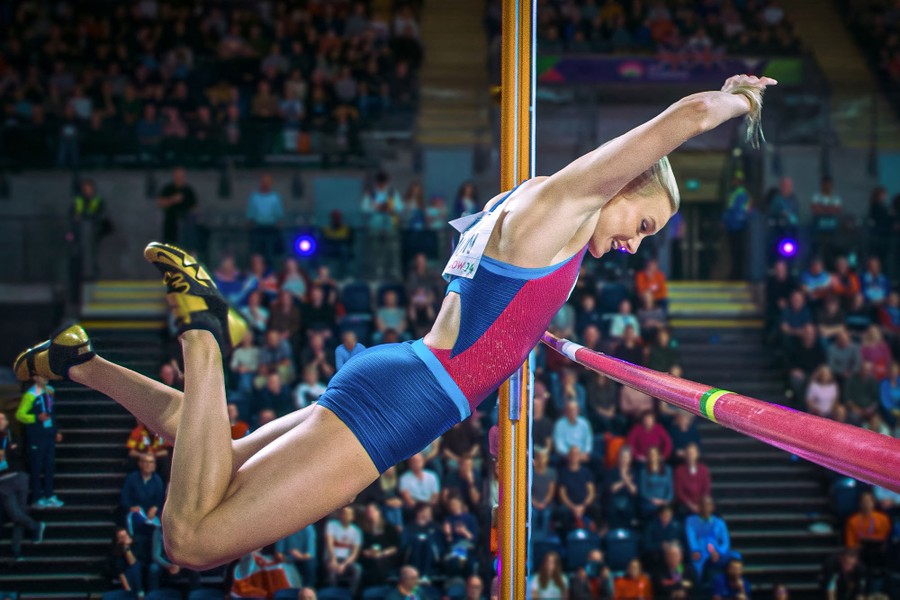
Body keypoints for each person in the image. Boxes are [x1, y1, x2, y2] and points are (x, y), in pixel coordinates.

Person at [13, 74, 774, 569]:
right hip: (407, 400)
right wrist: (741, 101)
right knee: (190, 540)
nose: (635, 244)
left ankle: (82, 364)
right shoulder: (565, 205)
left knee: (220, 448)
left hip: (402, 369)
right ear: (620, 183)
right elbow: (683, 116)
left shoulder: (529, 201)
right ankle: (206, 333)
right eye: (643, 221)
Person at [0, 412, 46, 558]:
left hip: (18, 476)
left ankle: (16, 549)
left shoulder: (13, 435)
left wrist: (6, 452)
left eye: (2, 418)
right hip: (3, 480)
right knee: (15, 513)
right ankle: (36, 526)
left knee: (21, 511)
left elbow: (19, 452)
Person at [15, 375, 63, 509]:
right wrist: (36, 417)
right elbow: (20, 415)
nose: (46, 378)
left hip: (48, 435)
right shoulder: (30, 395)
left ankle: (49, 495)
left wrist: (55, 430)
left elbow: (51, 412)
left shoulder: (49, 391)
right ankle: (37, 497)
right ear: (36, 378)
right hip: (36, 436)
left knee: (49, 467)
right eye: (42, 376)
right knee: (36, 467)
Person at [685, 496, 740, 578]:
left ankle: (734, 582)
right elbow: (691, 537)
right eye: (703, 504)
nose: (705, 507)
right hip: (700, 552)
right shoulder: (690, 521)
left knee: (736, 556)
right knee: (695, 562)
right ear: (699, 506)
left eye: (708, 504)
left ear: (712, 507)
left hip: (716, 552)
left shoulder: (719, 522)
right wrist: (695, 550)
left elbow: (725, 542)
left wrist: (719, 552)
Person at [246, 173, 285, 263]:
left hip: (271, 229)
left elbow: (279, 213)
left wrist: (279, 223)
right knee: (257, 254)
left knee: (270, 254)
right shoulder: (255, 197)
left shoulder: (275, 197)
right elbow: (251, 212)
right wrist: (249, 223)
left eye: (268, 182)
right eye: (264, 182)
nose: (266, 184)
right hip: (258, 228)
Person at [325, 506, 363, 594]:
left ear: (352, 517)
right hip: (332, 557)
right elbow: (329, 544)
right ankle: (332, 594)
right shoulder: (332, 525)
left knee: (358, 569)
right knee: (332, 569)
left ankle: (351, 594)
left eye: (348, 514)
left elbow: (354, 553)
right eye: (343, 513)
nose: (344, 516)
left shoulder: (356, 531)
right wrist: (333, 560)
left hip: (346, 560)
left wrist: (344, 565)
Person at [156, 166, 197, 247]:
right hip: (170, 225)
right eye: (177, 176)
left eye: (181, 176)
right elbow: (160, 202)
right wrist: (173, 199)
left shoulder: (188, 190)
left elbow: (195, 208)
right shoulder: (168, 189)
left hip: (185, 226)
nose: (179, 179)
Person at [674, 443, 711, 515]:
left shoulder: (704, 470)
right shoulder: (679, 470)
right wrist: (690, 505)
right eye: (689, 453)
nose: (691, 455)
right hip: (686, 503)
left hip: (701, 502)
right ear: (685, 455)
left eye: (693, 453)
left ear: (697, 454)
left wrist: (701, 504)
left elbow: (706, 489)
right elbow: (679, 491)